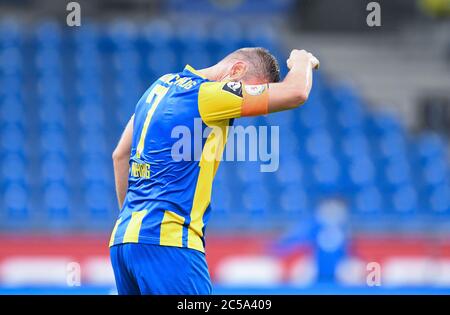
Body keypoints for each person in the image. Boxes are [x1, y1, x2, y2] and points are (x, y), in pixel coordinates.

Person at [109, 47, 320, 294]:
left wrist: (133, 227)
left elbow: (120, 155)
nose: (244, 102)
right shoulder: (208, 95)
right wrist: (302, 61)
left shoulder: (159, 86)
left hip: (123, 241)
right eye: (248, 90)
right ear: (237, 70)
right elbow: (296, 93)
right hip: (170, 241)